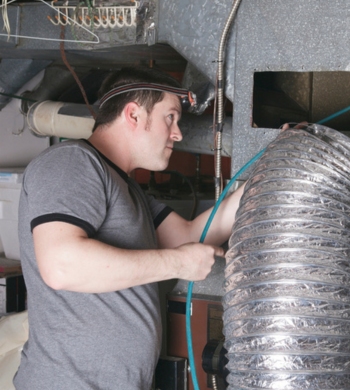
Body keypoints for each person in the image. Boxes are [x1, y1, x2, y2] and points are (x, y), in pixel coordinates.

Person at [13, 66, 244, 389]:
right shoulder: (72, 162)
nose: (177, 133)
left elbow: (190, 237)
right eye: (170, 118)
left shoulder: (129, 189)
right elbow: (61, 266)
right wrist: (179, 263)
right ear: (134, 115)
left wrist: (262, 176)